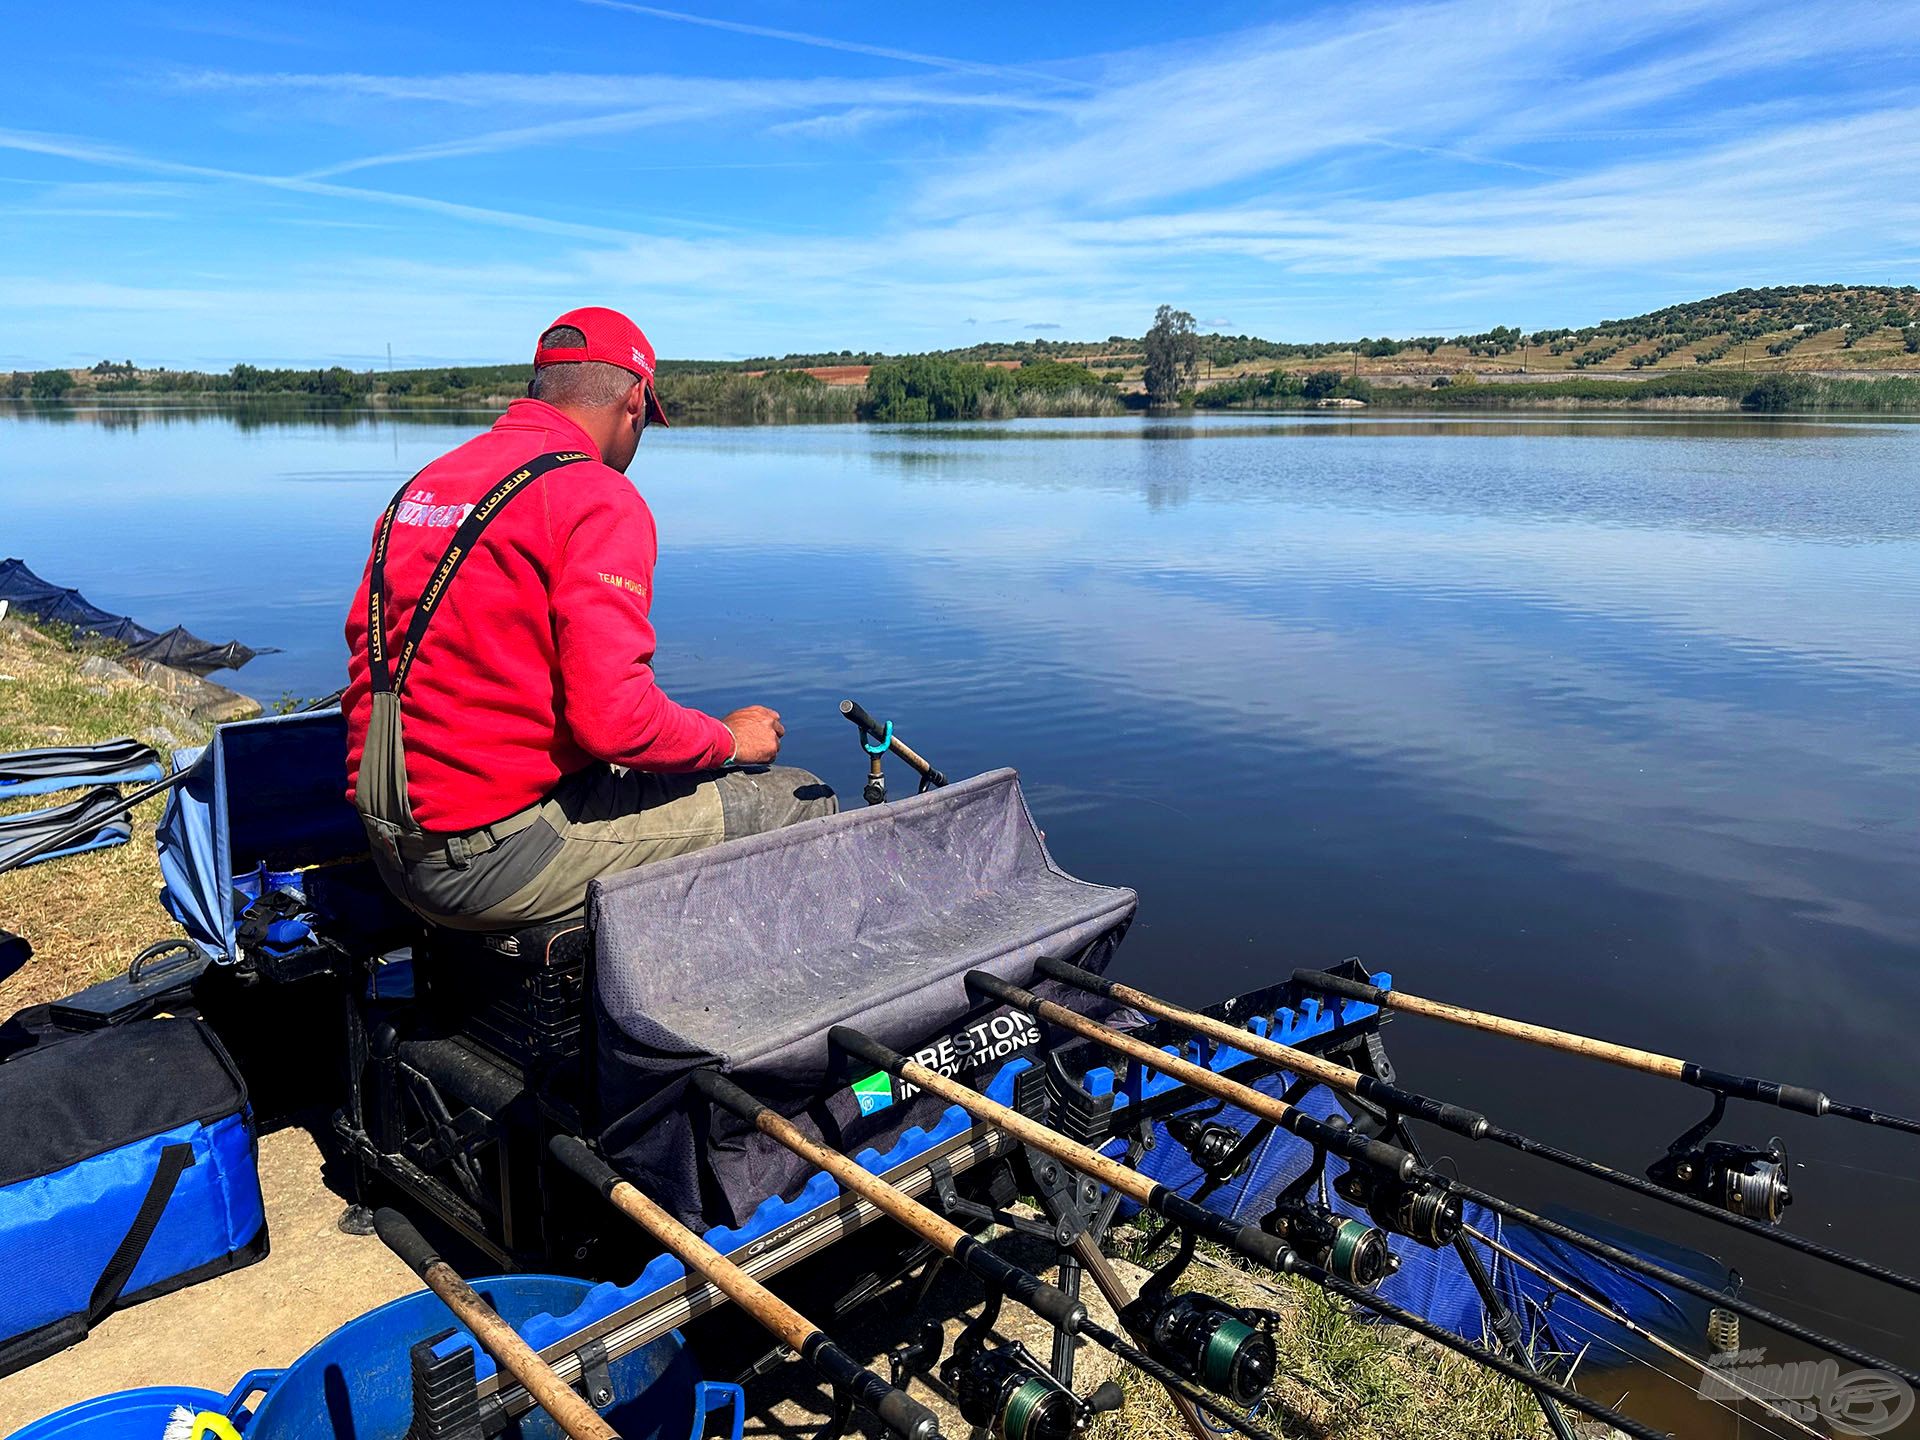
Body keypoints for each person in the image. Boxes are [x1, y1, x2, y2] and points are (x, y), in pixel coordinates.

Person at [342, 305, 836, 930]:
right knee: (795, 800)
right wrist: (729, 739)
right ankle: (758, 1012)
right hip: (491, 861)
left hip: (393, 844)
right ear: (634, 400)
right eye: (646, 420)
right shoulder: (595, 495)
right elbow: (615, 724)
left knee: (640, 769)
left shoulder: (429, 483)